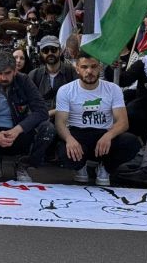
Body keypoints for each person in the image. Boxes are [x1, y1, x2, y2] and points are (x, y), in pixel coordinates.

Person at [55, 53, 141, 186]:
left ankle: (105, 167)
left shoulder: (113, 89)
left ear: (100, 68)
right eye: (84, 67)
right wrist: (69, 140)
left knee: (131, 142)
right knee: (63, 150)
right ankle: (80, 166)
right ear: (77, 68)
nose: (89, 71)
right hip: (78, 134)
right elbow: (60, 122)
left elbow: (123, 122)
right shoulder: (65, 90)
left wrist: (109, 135)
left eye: (93, 66)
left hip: (104, 135)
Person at [0, 51, 53, 182]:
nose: (3, 77)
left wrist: (17, 130)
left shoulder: (24, 80)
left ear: (15, 71)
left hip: (18, 130)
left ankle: (23, 164)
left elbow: (42, 111)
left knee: (48, 128)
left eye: (7, 73)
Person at [27, 35, 76, 119]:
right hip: (42, 121)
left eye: (53, 49)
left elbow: (78, 100)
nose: (50, 53)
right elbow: (30, 103)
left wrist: (52, 112)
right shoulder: (34, 75)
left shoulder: (71, 72)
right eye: (46, 50)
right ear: (41, 53)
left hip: (68, 119)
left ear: (60, 51)